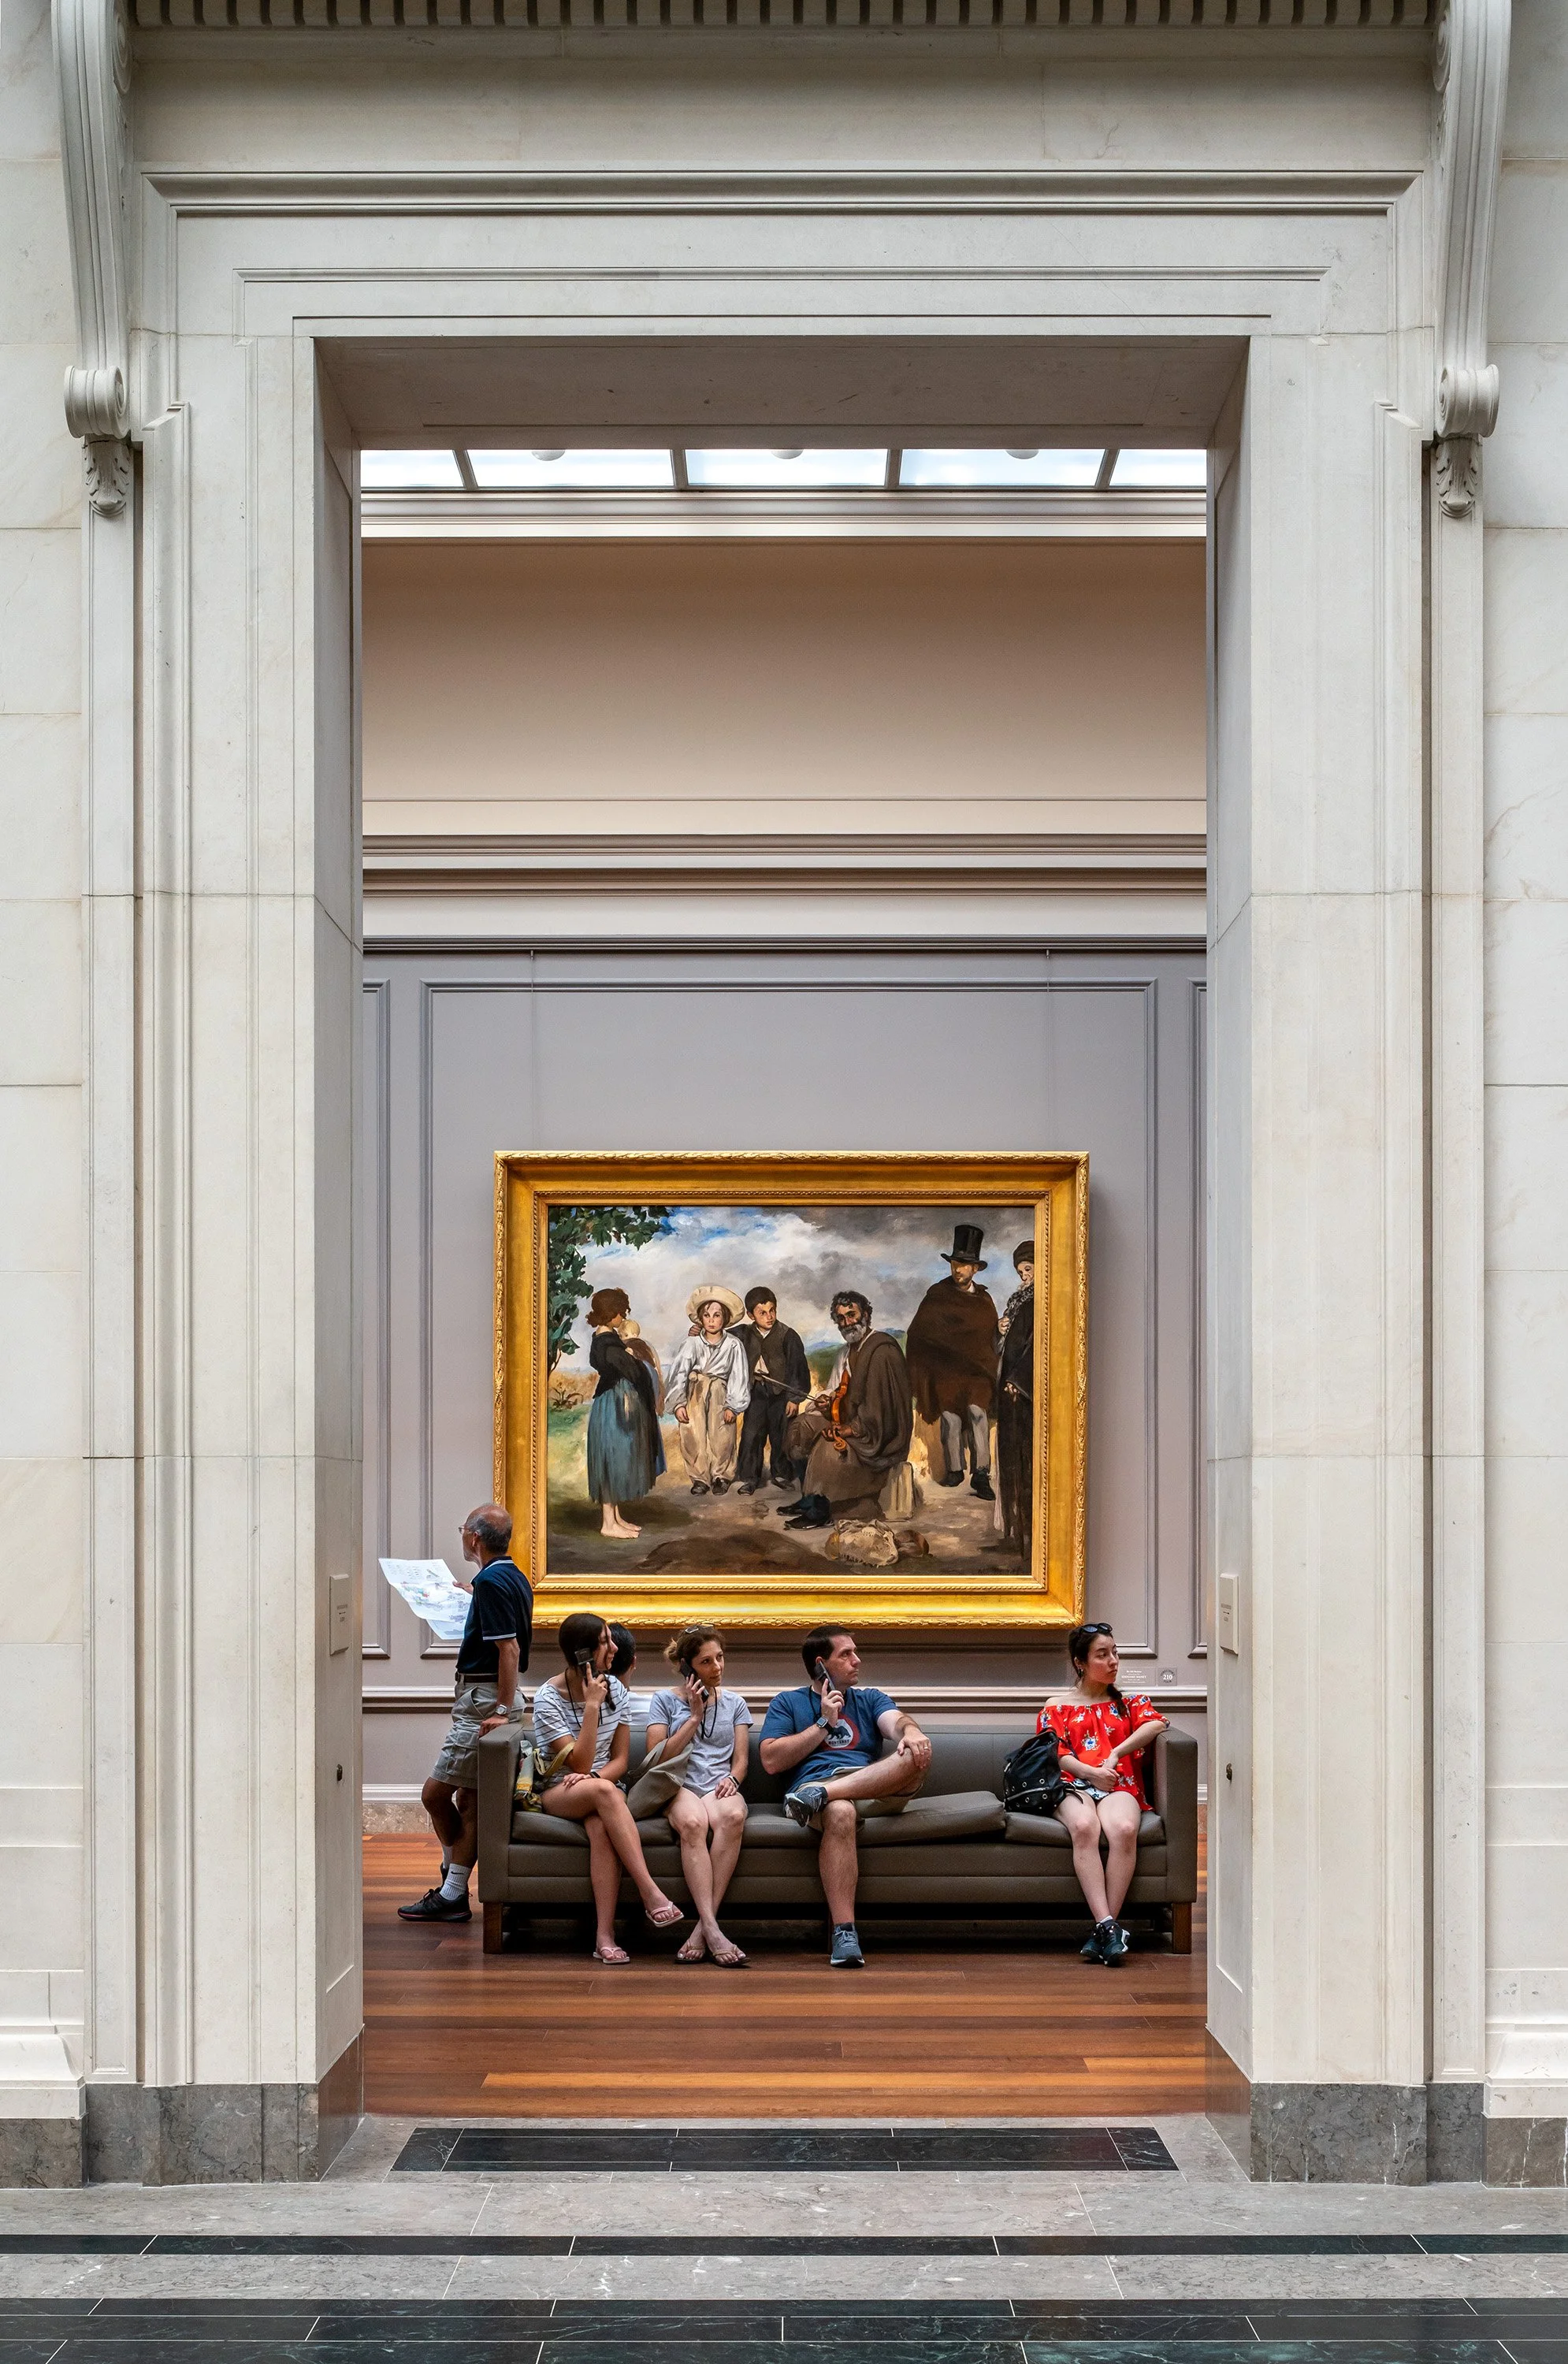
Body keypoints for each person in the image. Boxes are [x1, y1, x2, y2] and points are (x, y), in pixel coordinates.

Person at [759, 1625, 931, 1968]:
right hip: (823, 1793)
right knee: (840, 1811)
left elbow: (896, 1722)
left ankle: (821, 1793)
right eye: (846, 1654)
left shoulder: (869, 1699)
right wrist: (823, 1722)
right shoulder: (788, 1702)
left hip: (868, 1786)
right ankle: (845, 1931)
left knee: (918, 1752)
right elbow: (771, 1760)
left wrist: (911, 1731)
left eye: (856, 1652)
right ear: (822, 1664)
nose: (857, 1660)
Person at [399, 1503, 533, 1924]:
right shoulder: (509, 1576)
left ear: (474, 1538)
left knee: (434, 1795)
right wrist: (474, 1597)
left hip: (484, 1699)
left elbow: (508, 1649)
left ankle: (452, 1887)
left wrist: (501, 1709)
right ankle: (452, 1885)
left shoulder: (492, 1582)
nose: (461, 1535)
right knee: (469, 1798)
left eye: (463, 1529)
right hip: (487, 1697)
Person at [533, 1611, 685, 1962]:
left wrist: (598, 1780)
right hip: (559, 1791)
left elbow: (619, 1761)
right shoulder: (547, 1698)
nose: (614, 1648)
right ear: (582, 1653)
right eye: (605, 1641)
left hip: (599, 1789)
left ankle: (604, 1936)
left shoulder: (615, 1689)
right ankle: (650, 1892)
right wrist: (590, 1706)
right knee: (606, 1793)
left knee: (602, 1824)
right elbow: (579, 1764)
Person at [1039, 1622, 1169, 1967]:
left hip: (1117, 1783)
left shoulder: (1130, 1703)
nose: (1113, 1661)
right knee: (1084, 1826)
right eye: (1102, 1655)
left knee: (1125, 1829)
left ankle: (1103, 1929)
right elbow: (1055, 1752)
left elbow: (1157, 1723)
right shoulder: (1057, 1706)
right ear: (1080, 1662)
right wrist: (1090, 1772)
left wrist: (1114, 1755)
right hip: (1072, 1784)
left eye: (1115, 1653)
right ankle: (1109, 1927)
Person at [645, 1623, 752, 1968]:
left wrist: (733, 1780)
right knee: (693, 1822)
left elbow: (741, 1762)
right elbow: (656, 1758)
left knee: (734, 1816)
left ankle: (704, 1929)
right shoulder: (664, 1701)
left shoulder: (735, 1702)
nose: (717, 1667)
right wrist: (694, 1716)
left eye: (720, 1658)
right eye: (707, 1662)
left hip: (719, 1785)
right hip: (678, 1785)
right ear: (689, 1666)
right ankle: (712, 1929)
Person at [780, 1292, 913, 1533]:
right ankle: (809, 1497)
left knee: (827, 1443)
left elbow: (881, 1409)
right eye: (841, 1319)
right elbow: (839, 1393)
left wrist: (851, 1428)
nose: (847, 1323)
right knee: (800, 1428)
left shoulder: (882, 1351)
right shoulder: (847, 1352)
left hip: (878, 1435)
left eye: (852, 1315)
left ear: (866, 1315)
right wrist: (826, 1402)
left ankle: (820, 1511)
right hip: (851, 1420)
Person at [905, 1223, 999, 1501]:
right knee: (950, 1419)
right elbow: (919, 1332)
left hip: (977, 1372)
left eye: (964, 1265)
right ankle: (955, 1470)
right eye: (955, 1264)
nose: (958, 1270)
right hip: (946, 1372)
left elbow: (989, 1336)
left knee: (977, 1413)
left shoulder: (984, 1299)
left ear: (975, 1269)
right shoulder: (938, 1295)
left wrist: (1000, 1330)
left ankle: (981, 1474)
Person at [585, 1288, 664, 1540]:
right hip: (614, 1405)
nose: (624, 1317)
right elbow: (632, 1371)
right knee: (612, 1459)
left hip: (615, 1402)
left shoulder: (607, 1339)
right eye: (621, 1313)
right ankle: (608, 1523)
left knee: (619, 1459)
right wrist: (636, 1361)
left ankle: (616, 1517)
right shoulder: (607, 1343)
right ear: (612, 1315)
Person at [666, 1285, 751, 1495]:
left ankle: (721, 1476)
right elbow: (678, 1372)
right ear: (700, 1319)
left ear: (725, 1318)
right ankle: (699, 1478)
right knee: (692, 1434)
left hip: (721, 1391)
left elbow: (739, 1375)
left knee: (722, 1433)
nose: (712, 1320)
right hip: (695, 1390)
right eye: (707, 1315)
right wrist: (678, 1403)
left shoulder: (733, 1345)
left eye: (717, 1315)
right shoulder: (691, 1343)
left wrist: (734, 1405)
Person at [730, 1287, 812, 1497]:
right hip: (756, 1392)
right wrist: (699, 1330)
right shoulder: (742, 1333)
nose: (769, 1316)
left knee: (781, 1434)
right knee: (751, 1435)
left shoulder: (788, 1335)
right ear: (751, 1315)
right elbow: (718, 1333)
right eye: (762, 1313)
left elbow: (797, 1368)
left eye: (772, 1310)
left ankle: (782, 1474)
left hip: (781, 1394)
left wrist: (794, 1398)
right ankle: (749, 1478)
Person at [988, 1240, 1035, 1562]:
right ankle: (1016, 1533)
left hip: (1028, 1395)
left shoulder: (1046, 1300)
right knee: (1011, 1460)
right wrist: (1000, 1330)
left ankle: (1032, 1538)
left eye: (1028, 1270)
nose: (1024, 1278)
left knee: (1028, 1462)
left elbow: (1039, 1346)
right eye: (1020, 1272)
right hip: (1010, 1394)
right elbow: (1004, 1346)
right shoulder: (1018, 1301)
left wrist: (1020, 1380)